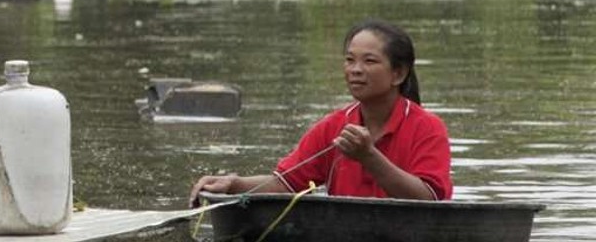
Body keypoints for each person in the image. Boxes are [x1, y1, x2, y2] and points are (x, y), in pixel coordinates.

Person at [190, 20, 452, 205]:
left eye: (369, 61)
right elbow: (286, 184)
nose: (355, 69)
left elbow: (430, 201)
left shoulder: (428, 127)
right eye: (350, 60)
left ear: (399, 73)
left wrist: (369, 157)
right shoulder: (334, 125)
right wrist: (234, 184)